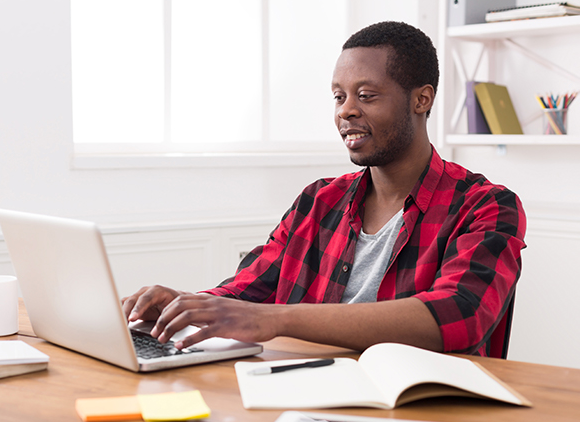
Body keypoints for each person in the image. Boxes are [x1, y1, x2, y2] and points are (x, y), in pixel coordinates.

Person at [122, 21, 526, 357]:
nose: (345, 110)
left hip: (429, 414)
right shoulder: (318, 200)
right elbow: (250, 288)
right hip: (313, 395)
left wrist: (277, 318)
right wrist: (185, 305)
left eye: (365, 95)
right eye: (338, 96)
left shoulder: (486, 206)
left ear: (421, 100)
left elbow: (460, 312)